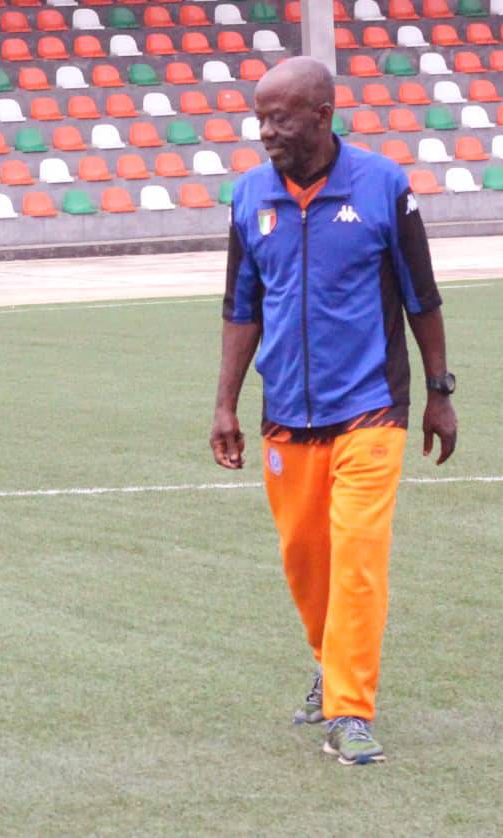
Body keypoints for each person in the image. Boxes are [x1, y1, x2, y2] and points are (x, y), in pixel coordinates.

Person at [210, 57, 458, 766]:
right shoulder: (249, 196)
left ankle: (350, 711)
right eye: (259, 117)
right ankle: (332, 664)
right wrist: (224, 403)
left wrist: (440, 392)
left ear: (323, 113)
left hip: (371, 408)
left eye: (279, 117)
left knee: (356, 560)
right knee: (306, 561)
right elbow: (240, 308)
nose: (265, 131)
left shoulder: (384, 187)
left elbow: (423, 297)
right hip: (285, 412)